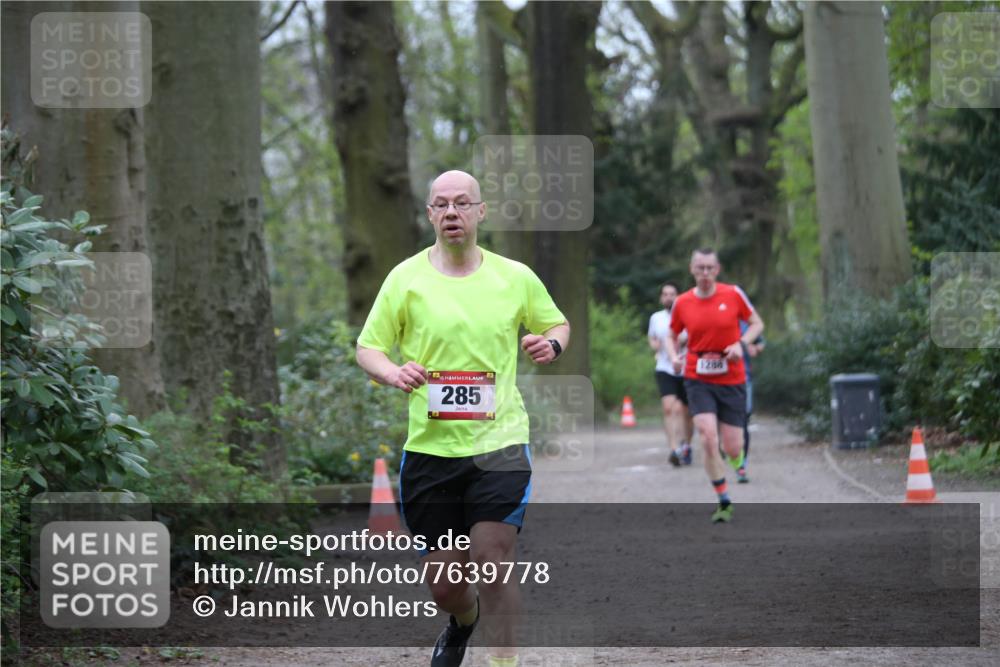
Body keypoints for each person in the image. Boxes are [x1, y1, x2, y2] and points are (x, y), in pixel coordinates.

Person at [356, 170, 570, 667]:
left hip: (501, 443)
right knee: (445, 586)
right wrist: (392, 372)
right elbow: (368, 348)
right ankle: (462, 621)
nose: (451, 212)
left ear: (480, 211)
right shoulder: (404, 278)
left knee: (493, 561)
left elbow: (556, 321)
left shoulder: (514, 276)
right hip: (431, 451)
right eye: (441, 204)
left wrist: (551, 342)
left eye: (461, 203)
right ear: (429, 214)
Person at [665, 248, 764, 523]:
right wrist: (674, 358)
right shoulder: (683, 302)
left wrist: (740, 344)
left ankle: (736, 460)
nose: (705, 273)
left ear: (717, 269)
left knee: (733, 446)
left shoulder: (733, 294)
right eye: (700, 268)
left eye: (710, 268)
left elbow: (756, 323)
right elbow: (671, 336)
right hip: (697, 377)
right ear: (692, 270)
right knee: (708, 436)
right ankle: (723, 500)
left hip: (732, 378)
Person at [648, 283, 694, 466]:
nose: (668, 297)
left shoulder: (688, 314)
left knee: (687, 412)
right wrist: (655, 345)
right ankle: (674, 449)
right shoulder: (656, 318)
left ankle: (687, 445)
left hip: (687, 368)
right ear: (661, 298)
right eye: (665, 294)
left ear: (678, 296)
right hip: (665, 368)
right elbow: (652, 337)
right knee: (668, 408)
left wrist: (685, 339)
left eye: (672, 294)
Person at [736, 320, 765, 483]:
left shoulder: (745, 324)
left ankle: (741, 464)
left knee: (743, 420)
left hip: (743, 378)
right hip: (719, 381)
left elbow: (760, 343)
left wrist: (755, 348)